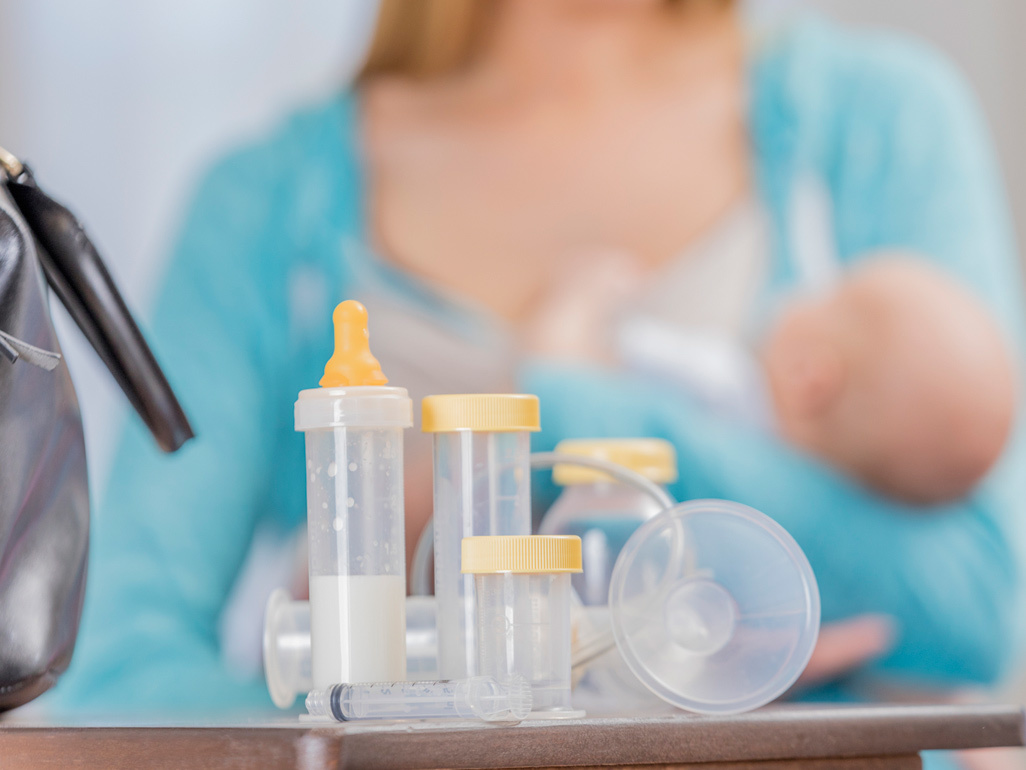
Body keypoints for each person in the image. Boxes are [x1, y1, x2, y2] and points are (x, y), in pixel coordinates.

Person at [54, 0, 1025, 733]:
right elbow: (117, 679)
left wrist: (551, 411)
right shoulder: (266, 208)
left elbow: (978, 604)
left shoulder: (870, 127)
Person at [609, 255, 1017, 504]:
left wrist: (585, 301)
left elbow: (607, 359)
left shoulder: (722, 385)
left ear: (808, 380)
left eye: (830, 295)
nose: (801, 290)